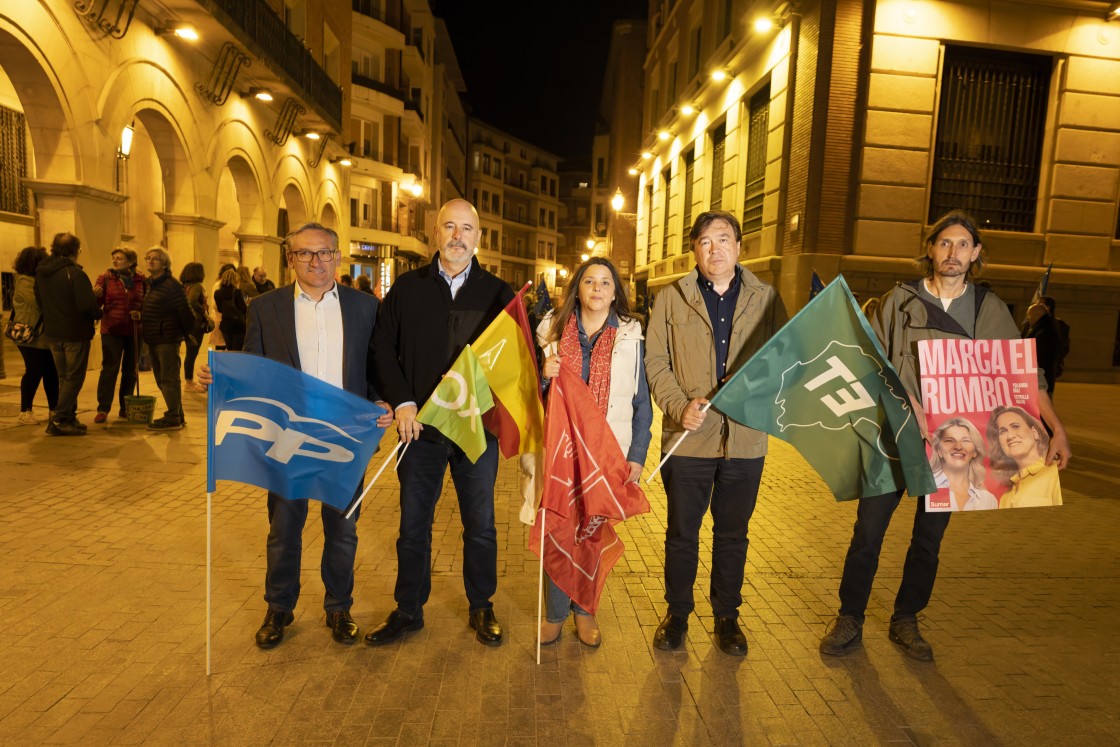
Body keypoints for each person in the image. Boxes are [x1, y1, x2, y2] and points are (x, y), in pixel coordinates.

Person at [819, 210, 1071, 662]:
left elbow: (1024, 375)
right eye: (944, 243)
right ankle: (849, 616)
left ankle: (906, 619)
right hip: (894, 438)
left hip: (951, 448)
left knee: (928, 539)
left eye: (962, 245)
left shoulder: (987, 309)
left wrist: (1056, 429)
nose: (952, 253)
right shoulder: (898, 301)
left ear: (975, 254)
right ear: (931, 249)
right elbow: (870, 362)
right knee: (867, 532)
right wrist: (910, 407)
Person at [200, 222, 392, 649]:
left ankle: (339, 607)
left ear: (338, 257)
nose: (315, 262)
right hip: (286, 436)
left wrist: (382, 400)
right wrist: (221, 377)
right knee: (284, 526)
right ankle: (279, 607)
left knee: (342, 529)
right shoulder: (266, 307)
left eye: (324, 253)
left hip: (343, 435)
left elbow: (378, 366)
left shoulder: (365, 307)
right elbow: (254, 367)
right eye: (305, 254)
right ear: (290, 260)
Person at [366, 198, 514, 648]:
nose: (457, 236)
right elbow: (381, 349)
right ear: (435, 232)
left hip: (475, 430)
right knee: (413, 525)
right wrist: (403, 400)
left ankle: (482, 605)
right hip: (420, 431)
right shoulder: (407, 289)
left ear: (478, 238)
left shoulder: (498, 293)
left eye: (466, 229)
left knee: (481, 525)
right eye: (449, 227)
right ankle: (409, 609)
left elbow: (514, 359)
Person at [644, 210, 788, 656]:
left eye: (723, 239)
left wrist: (757, 396)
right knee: (682, 532)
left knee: (733, 534)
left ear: (740, 247)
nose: (715, 249)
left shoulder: (766, 297)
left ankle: (727, 617)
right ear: (695, 251)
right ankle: (678, 614)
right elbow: (656, 362)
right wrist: (677, 406)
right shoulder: (671, 298)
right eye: (705, 241)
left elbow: (784, 358)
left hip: (745, 441)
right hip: (689, 439)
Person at [535, 258, 652, 648]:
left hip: (605, 450)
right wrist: (543, 373)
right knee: (560, 527)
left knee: (592, 530)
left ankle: (584, 611)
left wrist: (637, 452)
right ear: (578, 289)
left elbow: (642, 401)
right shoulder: (551, 333)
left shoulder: (631, 337)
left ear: (615, 291)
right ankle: (553, 614)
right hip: (561, 451)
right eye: (589, 281)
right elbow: (530, 394)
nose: (597, 288)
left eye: (605, 282)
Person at [34, 232, 101, 436]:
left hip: (53, 334)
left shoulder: (42, 273)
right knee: (74, 378)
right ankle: (59, 418)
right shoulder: (75, 274)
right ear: (74, 251)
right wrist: (98, 305)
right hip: (74, 333)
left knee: (64, 378)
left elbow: (40, 302)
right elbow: (86, 306)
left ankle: (68, 419)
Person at [140, 247, 196, 431]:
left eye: (155, 258)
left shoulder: (172, 285)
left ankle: (173, 417)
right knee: (160, 379)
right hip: (154, 338)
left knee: (168, 379)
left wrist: (185, 335)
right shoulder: (152, 284)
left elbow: (186, 314)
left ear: (164, 263)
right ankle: (177, 414)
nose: (150, 261)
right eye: (148, 258)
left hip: (167, 339)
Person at [92, 248, 146, 422]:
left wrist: (141, 314)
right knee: (109, 369)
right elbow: (96, 304)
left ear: (130, 262)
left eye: (120, 258)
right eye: (113, 257)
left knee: (130, 370)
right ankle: (103, 408)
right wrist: (95, 296)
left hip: (134, 331)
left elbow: (148, 303)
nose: (115, 261)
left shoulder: (141, 280)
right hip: (111, 330)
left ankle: (125, 406)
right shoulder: (105, 278)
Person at [11, 247, 58, 425]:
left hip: (44, 335)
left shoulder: (40, 281)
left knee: (51, 372)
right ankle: (25, 411)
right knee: (34, 370)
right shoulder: (24, 281)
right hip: (29, 335)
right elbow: (41, 302)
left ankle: (54, 410)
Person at [987, 406, 1062, 509]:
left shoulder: (1054, 472)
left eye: (1015, 426)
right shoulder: (1006, 497)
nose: (1010, 436)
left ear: (1035, 433)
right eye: (1003, 431)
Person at [928, 418, 997, 511]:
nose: (958, 447)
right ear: (939, 450)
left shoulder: (988, 500)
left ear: (975, 452)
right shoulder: (925, 488)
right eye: (949, 440)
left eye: (965, 441)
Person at [180, 262, 209, 393]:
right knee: (192, 353)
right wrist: (203, 312)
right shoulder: (197, 286)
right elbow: (192, 301)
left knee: (190, 353)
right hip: (196, 324)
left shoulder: (184, 285)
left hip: (187, 322)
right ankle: (189, 382)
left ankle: (188, 380)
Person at [1022, 302, 1062, 394]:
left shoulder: (1044, 331)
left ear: (1037, 315)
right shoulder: (1045, 327)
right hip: (1042, 376)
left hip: (1040, 377)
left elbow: (1039, 353)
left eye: (1029, 315)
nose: (1028, 318)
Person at [1038, 295, 1070, 387]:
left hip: (1047, 368)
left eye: (1039, 303)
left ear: (1048, 307)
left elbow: (1063, 346)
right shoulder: (1030, 323)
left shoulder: (1059, 325)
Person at [214, 268, 247, 351]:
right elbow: (244, 309)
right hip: (238, 326)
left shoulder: (217, 293)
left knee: (229, 349)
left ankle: (229, 364)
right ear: (235, 280)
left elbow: (220, 309)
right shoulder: (237, 292)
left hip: (225, 325)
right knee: (237, 351)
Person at [209, 262, 236, 350]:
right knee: (221, 345)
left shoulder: (232, 286)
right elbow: (215, 304)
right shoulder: (218, 285)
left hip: (227, 320)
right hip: (220, 318)